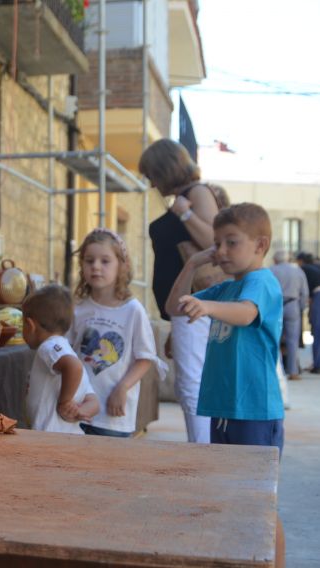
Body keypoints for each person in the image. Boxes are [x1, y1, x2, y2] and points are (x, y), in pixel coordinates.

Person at [165, 203, 285, 567]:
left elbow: (248, 313)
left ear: (260, 244)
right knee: (232, 496)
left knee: (262, 501)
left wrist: (209, 308)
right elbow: (174, 305)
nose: (222, 251)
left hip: (254, 412)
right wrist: (192, 264)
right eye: (217, 243)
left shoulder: (260, 283)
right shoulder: (226, 289)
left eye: (231, 242)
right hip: (223, 410)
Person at [140, 138, 226, 444]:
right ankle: (201, 447)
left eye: (151, 173)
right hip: (185, 309)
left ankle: (202, 453)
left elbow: (217, 244)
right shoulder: (182, 197)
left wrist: (186, 214)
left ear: (165, 169)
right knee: (190, 385)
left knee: (192, 387)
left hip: (196, 304)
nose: (150, 181)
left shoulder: (197, 193)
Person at [68, 228, 166, 438]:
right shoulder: (78, 309)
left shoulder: (133, 310)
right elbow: (68, 354)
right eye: (89, 260)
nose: (95, 266)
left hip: (112, 415)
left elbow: (145, 358)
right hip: (77, 409)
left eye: (105, 261)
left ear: (121, 265)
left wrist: (122, 388)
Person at [22, 285, 99, 434]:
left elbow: (73, 367)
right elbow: (94, 403)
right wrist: (79, 411)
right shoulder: (67, 352)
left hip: (48, 437)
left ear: (30, 325)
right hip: (69, 438)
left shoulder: (49, 347)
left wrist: (65, 402)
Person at [270, 250, 308, 380]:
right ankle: (293, 372)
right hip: (293, 305)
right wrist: (301, 307)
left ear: (275, 260)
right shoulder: (298, 271)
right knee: (293, 341)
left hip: (276, 305)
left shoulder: (271, 270)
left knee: (274, 339)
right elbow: (305, 292)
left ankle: (275, 370)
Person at [295, 252, 320, 372]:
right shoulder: (316, 266)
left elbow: (304, 291)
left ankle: (317, 365)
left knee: (317, 331)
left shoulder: (303, 269)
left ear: (300, 261)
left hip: (317, 296)